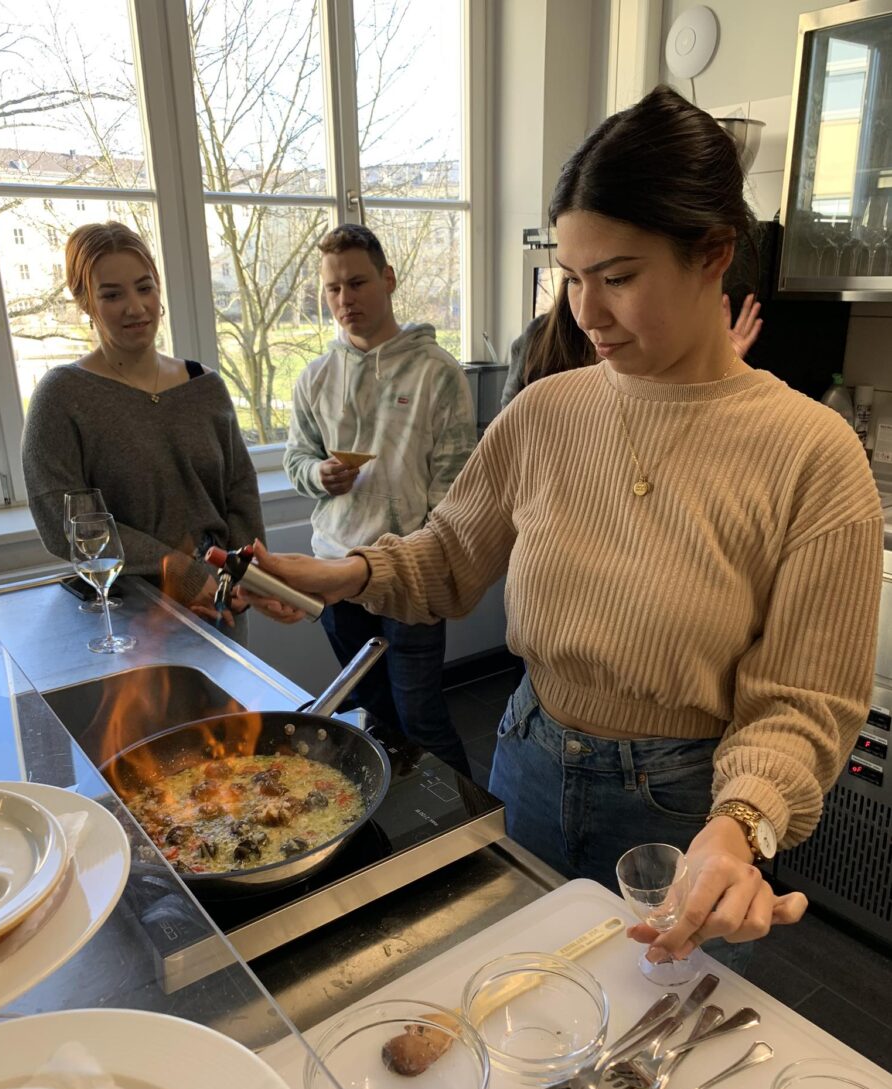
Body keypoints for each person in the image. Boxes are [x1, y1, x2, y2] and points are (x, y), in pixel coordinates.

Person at [239, 87, 882, 969]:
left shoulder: (811, 453)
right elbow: (452, 555)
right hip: (528, 757)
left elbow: (804, 700)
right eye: (572, 278)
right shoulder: (548, 411)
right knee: (521, 1001)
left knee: (654, 1049)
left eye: (617, 277)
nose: (586, 313)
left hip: (685, 811)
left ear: (713, 255)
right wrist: (347, 575)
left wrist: (738, 829)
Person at [283, 223, 476, 775]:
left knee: (422, 717)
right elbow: (296, 461)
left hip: (409, 580)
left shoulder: (437, 373)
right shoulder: (315, 379)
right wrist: (318, 475)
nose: (346, 300)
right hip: (334, 572)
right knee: (371, 714)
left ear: (387, 280)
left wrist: (430, 565)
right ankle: (400, 822)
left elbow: (455, 488)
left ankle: (471, 832)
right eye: (333, 289)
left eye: (358, 283)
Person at [21, 221, 263, 637]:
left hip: (219, 606)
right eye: (112, 294)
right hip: (130, 617)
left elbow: (239, 493)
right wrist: (180, 572)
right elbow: (68, 525)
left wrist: (245, 574)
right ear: (85, 303)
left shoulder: (206, 387)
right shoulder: (61, 397)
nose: (135, 307)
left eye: (144, 287)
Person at [500, 278, 763, 406]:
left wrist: (710, 374)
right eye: (574, 277)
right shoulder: (538, 338)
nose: (587, 319)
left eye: (617, 279)